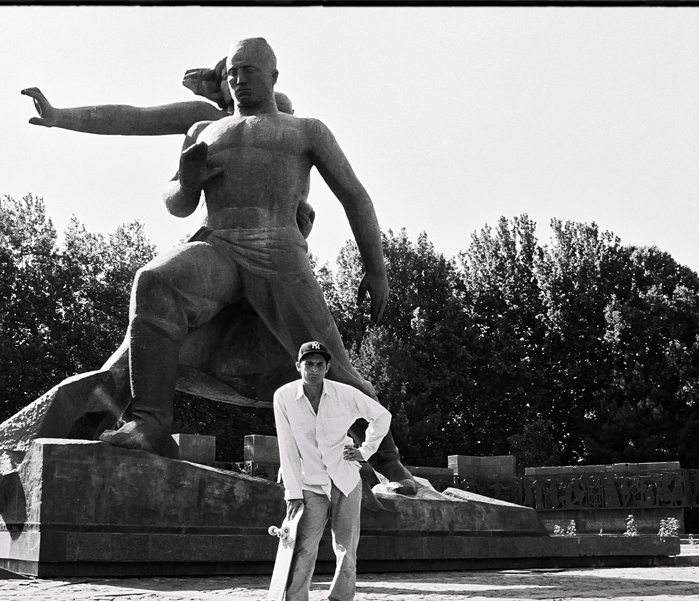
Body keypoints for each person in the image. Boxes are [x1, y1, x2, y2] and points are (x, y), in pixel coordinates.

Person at [23, 37, 415, 495]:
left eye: (249, 70)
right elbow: (175, 199)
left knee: (333, 369)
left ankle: (392, 466)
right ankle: (149, 422)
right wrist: (186, 181)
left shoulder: (305, 131)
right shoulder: (204, 130)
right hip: (220, 244)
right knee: (154, 280)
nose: (239, 79)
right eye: (232, 72)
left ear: (273, 76)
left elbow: (355, 195)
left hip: (279, 256)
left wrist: (376, 267)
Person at [273, 341, 389, 601]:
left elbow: (382, 416)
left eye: (319, 365)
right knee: (303, 550)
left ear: (327, 368)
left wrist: (365, 451)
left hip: (345, 480)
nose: (313, 370)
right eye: (308, 364)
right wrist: (292, 492)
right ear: (298, 366)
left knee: (347, 550)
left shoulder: (345, 394)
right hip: (309, 483)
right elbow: (287, 447)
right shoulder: (284, 396)